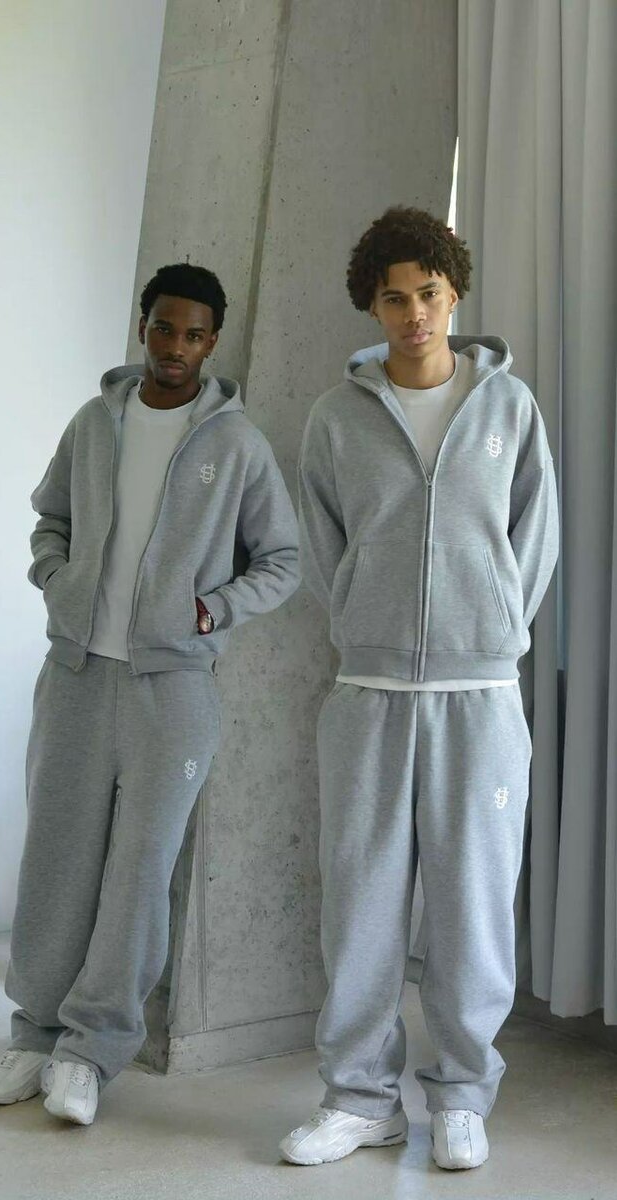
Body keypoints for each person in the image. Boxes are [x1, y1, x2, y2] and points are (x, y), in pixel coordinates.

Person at [0, 263, 300, 1125]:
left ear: (212, 342)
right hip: (77, 675)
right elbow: (50, 519)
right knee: (56, 859)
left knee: (138, 874)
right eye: (164, 328)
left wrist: (211, 610)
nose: (175, 347)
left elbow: (283, 560)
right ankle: (34, 1034)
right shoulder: (94, 424)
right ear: (144, 325)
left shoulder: (237, 445)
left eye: (193, 334)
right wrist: (57, 578)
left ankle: (90, 1052)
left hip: (175, 690)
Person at [281, 206, 558, 1171]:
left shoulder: (508, 409)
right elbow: (323, 549)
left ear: (455, 295)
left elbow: (533, 542)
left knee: (471, 906)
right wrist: (366, 619)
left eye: (428, 294)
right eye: (394, 298)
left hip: (479, 697)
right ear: (372, 305)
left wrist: (491, 629)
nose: (414, 315)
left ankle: (461, 1097)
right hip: (366, 691)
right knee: (359, 907)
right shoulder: (335, 418)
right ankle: (359, 1100)